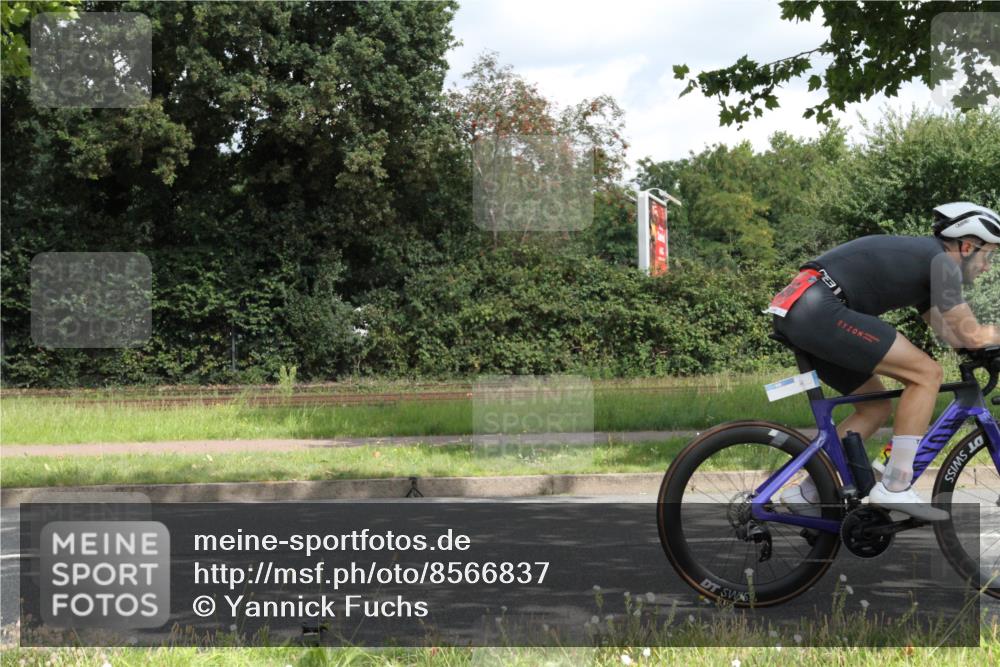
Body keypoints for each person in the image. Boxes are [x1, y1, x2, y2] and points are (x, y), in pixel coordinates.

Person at [771, 202, 1000, 521]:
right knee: (926, 374)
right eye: (988, 255)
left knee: (875, 408)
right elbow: (972, 334)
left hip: (803, 308)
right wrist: (983, 341)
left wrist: (982, 351)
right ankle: (895, 486)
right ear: (966, 246)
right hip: (818, 308)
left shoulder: (928, 266)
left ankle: (807, 489)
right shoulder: (941, 263)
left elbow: (955, 336)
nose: (987, 267)